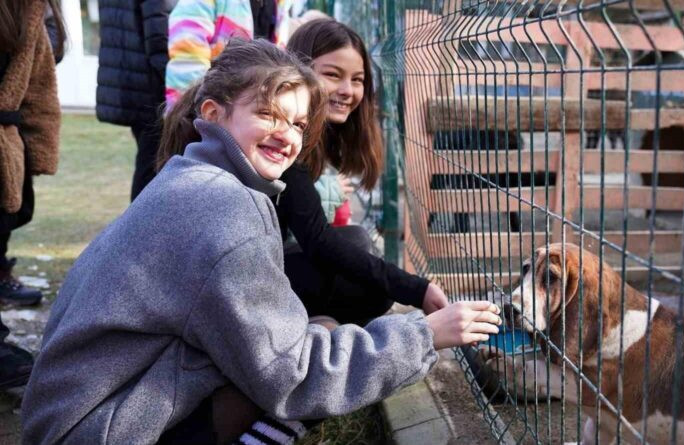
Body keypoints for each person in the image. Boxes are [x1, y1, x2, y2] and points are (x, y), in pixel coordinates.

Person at [22, 39, 502, 444]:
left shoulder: (189, 177)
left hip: (74, 418)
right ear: (214, 112)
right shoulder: (225, 207)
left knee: (317, 329)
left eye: (297, 123)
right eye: (268, 114)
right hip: (102, 430)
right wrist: (425, 334)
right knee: (315, 355)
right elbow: (293, 377)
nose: (288, 136)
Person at [164, 11, 449, 326]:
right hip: (223, 284)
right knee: (374, 287)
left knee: (356, 243)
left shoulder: (309, 139)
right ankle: (308, 328)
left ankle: (313, 323)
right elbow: (318, 239)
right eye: (333, 75)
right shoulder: (280, 147)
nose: (347, 90)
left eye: (357, 80)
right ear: (300, 73)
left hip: (250, 263)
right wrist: (415, 288)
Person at [0, 0, 64, 390]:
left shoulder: (27, 10)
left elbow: (39, 84)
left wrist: (37, 151)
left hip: (8, 147)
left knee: (5, 223)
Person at [96, 0, 174, 201]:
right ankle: (140, 229)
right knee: (154, 168)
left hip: (134, 83)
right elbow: (160, 35)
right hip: (153, 89)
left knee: (151, 165)